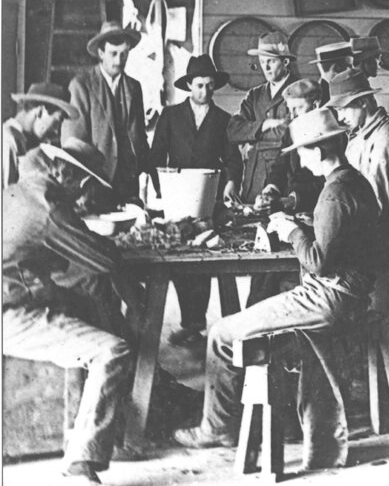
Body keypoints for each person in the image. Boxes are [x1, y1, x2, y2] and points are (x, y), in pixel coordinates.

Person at [174, 107, 382, 470]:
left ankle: (216, 427)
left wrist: (291, 231)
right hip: (351, 295)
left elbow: (318, 262)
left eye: (301, 151)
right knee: (265, 332)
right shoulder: (355, 182)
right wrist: (305, 223)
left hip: (329, 297)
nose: (299, 159)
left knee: (222, 332)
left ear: (318, 151)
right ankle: (285, 428)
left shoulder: (333, 193)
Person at [3, 139, 143, 486]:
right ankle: (79, 468)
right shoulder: (48, 207)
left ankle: (85, 429)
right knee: (114, 350)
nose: (84, 196)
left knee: (90, 300)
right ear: (65, 174)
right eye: (84, 185)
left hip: (18, 294)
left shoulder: (20, 189)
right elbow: (103, 259)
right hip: (12, 312)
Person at [149, 54, 242, 347]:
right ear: (189, 85)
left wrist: (230, 183)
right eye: (200, 85)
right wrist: (162, 190)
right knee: (178, 259)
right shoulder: (170, 115)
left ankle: (196, 324)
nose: (205, 92)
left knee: (203, 260)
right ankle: (188, 322)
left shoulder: (223, 120)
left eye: (210, 86)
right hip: (177, 197)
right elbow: (155, 157)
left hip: (207, 197)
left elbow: (233, 159)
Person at [326, 68, 389, 309]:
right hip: (362, 241)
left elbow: (378, 204)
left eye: (343, 109)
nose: (340, 117)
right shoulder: (361, 135)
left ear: (362, 102)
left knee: (378, 316)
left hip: (378, 244)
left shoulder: (385, 139)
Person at [63, 21, 150, 203]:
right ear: (101, 53)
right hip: (95, 182)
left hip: (128, 183)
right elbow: (73, 142)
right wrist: (85, 184)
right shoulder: (81, 85)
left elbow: (139, 137)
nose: (119, 61)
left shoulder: (134, 87)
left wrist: (147, 172)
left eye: (124, 54)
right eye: (113, 54)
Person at [227, 31, 296, 202]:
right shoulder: (255, 95)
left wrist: (252, 134)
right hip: (252, 178)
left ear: (285, 61)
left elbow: (290, 136)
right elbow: (233, 131)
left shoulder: (299, 92)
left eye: (271, 62)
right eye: (262, 62)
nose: (265, 68)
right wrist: (264, 125)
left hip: (283, 180)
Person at [255, 78, 326, 214]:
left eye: (298, 108)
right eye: (289, 109)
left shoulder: (329, 134)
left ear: (315, 105)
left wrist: (292, 200)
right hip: (291, 205)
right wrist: (270, 190)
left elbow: (326, 181)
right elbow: (280, 165)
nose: (292, 115)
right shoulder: (292, 129)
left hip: (318, 208)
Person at [3, 81, 79, 187]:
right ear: (40, 111)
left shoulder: (29, 141)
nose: (56, 131)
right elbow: (6, 197)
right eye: (56, 122)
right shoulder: (7, 140)